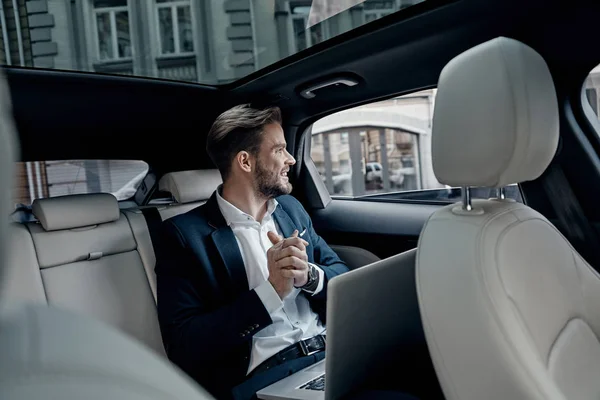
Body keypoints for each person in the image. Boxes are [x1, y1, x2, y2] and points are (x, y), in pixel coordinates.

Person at [155, 104, 349, 400]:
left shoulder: (291, 210)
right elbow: (185, 345)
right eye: (279, 150)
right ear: (245, 161)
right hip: (265, 377)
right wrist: (271, 291)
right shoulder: (183, 236)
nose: (291, 159)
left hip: (331, 353)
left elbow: (341, 274)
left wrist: (308, 276)